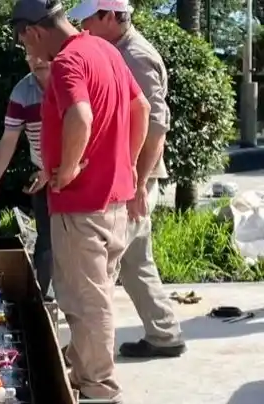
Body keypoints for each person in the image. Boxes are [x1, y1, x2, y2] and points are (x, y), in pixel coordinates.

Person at [11, 0, 151, 404]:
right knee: (98, 295)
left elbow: (81, 116)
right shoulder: (105, 50)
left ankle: (99, 390)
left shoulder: (68, 61)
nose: (27, 51)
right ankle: (83, 368)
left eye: (23, 41)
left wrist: (68, 170)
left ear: (33, 31)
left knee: (85, 302)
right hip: (113, 200)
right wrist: (125, 163)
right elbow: (140, 108)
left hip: (81, 206)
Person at [68, 0, 186, 359]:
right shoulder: (117, 49)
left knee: (103, 265)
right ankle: (164, 334)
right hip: (128, 175)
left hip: (133, 177)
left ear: (109, 16)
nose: (82, 27)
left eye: (88, 19)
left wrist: (138, 183)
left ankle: (85, 356)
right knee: (134, 258)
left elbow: (156, 126)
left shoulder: (135, 55)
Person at [0, 53, 53, 297]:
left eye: (41, 53)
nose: (37, 60)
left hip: (80, 173)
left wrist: (53, 171)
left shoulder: (72, 81)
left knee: (78, 242)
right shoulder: (23, 91)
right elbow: (9, 138)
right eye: (29, 55)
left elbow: (83, 133)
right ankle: (42, 300)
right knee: (46, 241)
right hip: (45, 175)